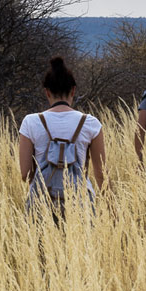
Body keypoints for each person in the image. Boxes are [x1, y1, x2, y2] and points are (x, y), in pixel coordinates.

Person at [18, 57, 105, 215]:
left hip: (41, 202)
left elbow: (25, 174)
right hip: (81, 202)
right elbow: (101, 174)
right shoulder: (90, 123)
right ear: (73, 90)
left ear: (47, 92)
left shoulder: (30, 122)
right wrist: (111, 209)